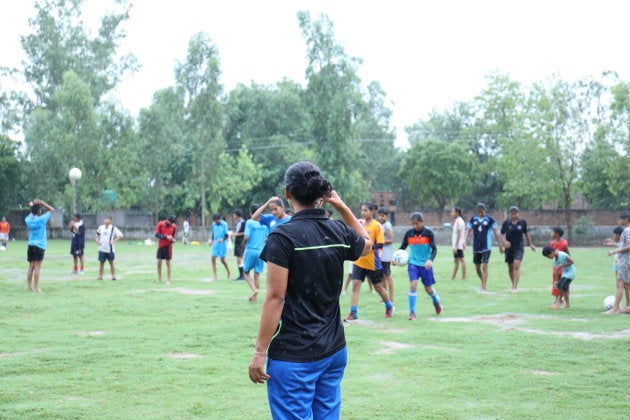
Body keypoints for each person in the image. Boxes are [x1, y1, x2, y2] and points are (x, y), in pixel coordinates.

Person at [248, 161, 371, 419]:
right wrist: (341, 206)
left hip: (294, 356)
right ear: (321, 195)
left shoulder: (283, 236)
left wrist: (260, 352)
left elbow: (275, 297)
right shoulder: (337, 230)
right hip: (333, 351)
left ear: (287, 193)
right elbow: (367, 244)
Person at [345, 202, 394, 320]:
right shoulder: (358, 224)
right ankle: (353, 313)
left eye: (366, 210)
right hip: (358, 261)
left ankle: (388, 305)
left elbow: (380, 244)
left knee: (378, 287)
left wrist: (367, 248)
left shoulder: (377, 226)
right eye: (362, 210)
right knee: (355, 286)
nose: (363, 212)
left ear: (372, 212)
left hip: (372, 262)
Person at [396, 212, 441, 320]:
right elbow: (402, 247)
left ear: (422, 222)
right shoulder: (409, 234)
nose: (415, 226)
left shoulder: (428, 233)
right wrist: (395, 258)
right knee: (413, 285)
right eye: (413, 224)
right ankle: (412, 312)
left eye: (417, 224)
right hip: (413, 264)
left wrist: (430, 260)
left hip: (425, 265)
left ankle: (436, 301)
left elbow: (434, 249)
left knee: (428, 289)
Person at [465, 202, 503, 292]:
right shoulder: (473, 220)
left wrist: (500, 245)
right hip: (476, 247)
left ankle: (483, 287)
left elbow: (496, 232)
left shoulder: (490, 220)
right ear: (477, 211)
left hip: (486, 247)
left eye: (482, 210)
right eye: (479, 210)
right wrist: (463, 241)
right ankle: (483, 282)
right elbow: (467, 231)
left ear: (485, 210)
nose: (480, 212)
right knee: (477, 268)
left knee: (484, 266)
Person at [500, 206, 536, 291]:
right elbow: (501, 234)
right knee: (510, 267)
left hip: (519, 247)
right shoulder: (506, 223)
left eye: (515, 213)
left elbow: (526, 233)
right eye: (512, 214)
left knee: (516, 265)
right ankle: (513, 283)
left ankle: (515, 287)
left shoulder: (522, 222)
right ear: (510, 214)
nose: (514, 215)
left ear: (518, 213)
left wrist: (531, 244)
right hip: (509, 248)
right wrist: (503, 243)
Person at [25, 199, 55, 292]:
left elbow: (32, 213)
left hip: (31, 244)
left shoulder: (28, 220)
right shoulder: (42, 219)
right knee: (37, 267)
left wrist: (32, 205)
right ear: (38, 211)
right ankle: (36, 287)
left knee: (31, 266)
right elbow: (51, 210)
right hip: (40, 245)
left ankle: (29, 287)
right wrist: (41, 202)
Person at [604, 211, 630, 314]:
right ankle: (628, 307)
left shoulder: (627, 230)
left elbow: (628, 246)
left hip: (625, 261)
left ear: (626, 219)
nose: (618, 221)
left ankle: (615, 308)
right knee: (627, 284)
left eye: (620, 219)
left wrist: (614, 251)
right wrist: (614, 244)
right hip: (626, 260)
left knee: (620, 284)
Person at [242, 204, 269, 301]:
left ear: (251, 212)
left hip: (251, 250)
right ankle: (255, 297)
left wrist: (243, 242)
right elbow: (267, 238)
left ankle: (254, 290)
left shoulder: (249, 222)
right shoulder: (264, 224)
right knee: (257, 274)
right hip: (261, 251)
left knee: (245, 272)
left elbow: (246, 236)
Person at [542, 245, 575, 309]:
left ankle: (559, 300)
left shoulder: (562, 255)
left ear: (552, 252)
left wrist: (562, 265)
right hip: (565, 273)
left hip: (571, 272)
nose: (548, 258)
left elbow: (572, 262)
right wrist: (556, 281)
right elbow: (556, 270)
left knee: (560, 285)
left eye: (548, 256)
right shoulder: (554, 260)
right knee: (564, 288)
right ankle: (567, 304)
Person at [95, 216, 123, 281]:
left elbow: (120, 235)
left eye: (108, 219)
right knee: (101, 262)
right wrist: (98, 241)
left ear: (110, 221)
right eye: (105, 219)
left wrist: (113, 241)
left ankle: (113, 276)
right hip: (102, 248)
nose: (106, 220)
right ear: (103, 220)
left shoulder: (113, 228)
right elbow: (97, 236)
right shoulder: (100, 227)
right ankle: (100, 276)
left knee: (111, 262)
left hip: (110, 249)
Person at [376, 207, 394, 303]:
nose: (380, 217)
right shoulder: (381, 225)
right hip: (381, 255)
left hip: (386, 256)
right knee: (382, 276)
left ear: (386, 216)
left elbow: (391, 239)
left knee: (387, 276)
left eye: (382, 216)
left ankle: (391, 297)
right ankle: (385, 297)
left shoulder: (387, 225)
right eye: (379, 215)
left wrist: (380, 242)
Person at [549, 227, 570, 306]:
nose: (551, 234)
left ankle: (564, 299)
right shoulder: (552, 243)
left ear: (557, 234)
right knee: (555, 282)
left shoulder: (564, 243)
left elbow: (568, 254)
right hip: (556, 267)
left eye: (552, 232)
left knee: (563, 283)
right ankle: (557, 298)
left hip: (563, 266)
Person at [207, 214, 231, 281]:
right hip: (215, 243)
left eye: (217, 220)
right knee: (213, 259)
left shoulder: (224, 224)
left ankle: (228, 272)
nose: (216, 222)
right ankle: (215, 276)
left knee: (222, 260)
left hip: (222, 244)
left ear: (219, 219)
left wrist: (222, 239)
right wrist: (211, 240)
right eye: (215, 221)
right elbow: (213, 234)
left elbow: (226, 235)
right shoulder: (213, 224)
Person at [155, 215, 177, 284]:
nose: (171, 224)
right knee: (159, 262)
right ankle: (159, 279)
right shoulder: (160, 224)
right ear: (167, 219)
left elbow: (172, 236)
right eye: (170, 222)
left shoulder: (174, 226)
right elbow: (156, 235)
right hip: (161, 246)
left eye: (172, 223)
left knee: (168, 263)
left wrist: (173, 240)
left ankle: (168, 279)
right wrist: (165, 236)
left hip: (168, 246)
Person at [450, 207, 466, 281]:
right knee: (456, 261)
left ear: (457, 213)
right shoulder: (457, 221)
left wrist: (456, 246)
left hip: (458, 245)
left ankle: (463, 277)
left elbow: (459, 234)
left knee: (461, 260)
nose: (451, 214)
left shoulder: (459, 221)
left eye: (453, 212)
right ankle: (453, 277)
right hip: (457, 245)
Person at [230, 209, 246, 280]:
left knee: (240, 258)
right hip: (237, 242)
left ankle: (243, 275)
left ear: (237, 215)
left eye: (234, 214)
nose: (233, 216)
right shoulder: (237, 222)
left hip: (241, 242)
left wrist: (235, 234)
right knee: (238, 259)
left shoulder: (243, 223)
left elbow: (244, 233)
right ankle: (240, 275)